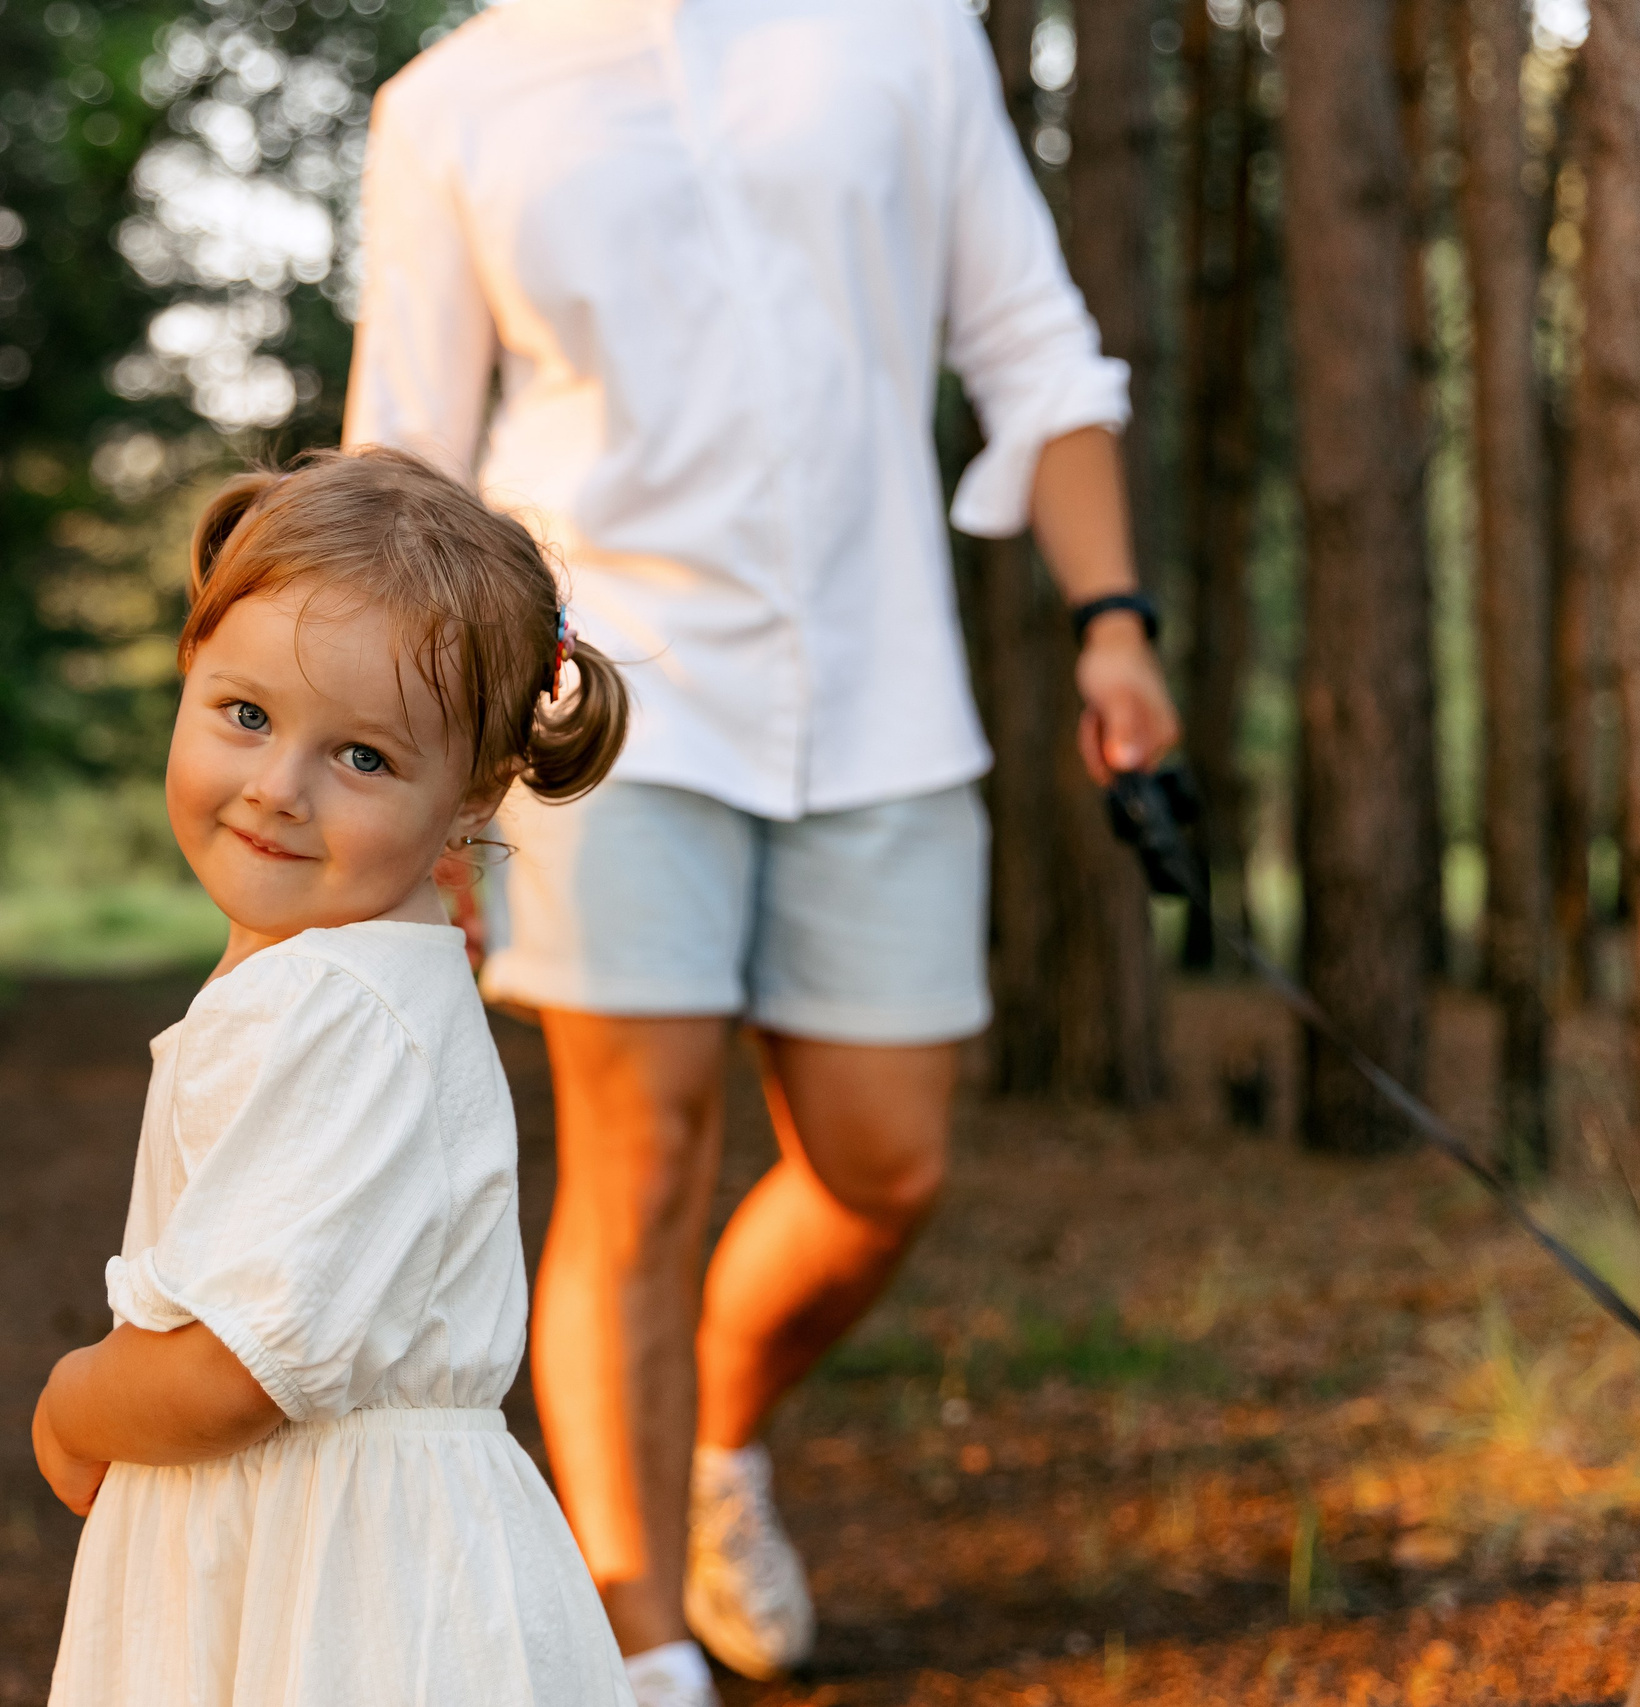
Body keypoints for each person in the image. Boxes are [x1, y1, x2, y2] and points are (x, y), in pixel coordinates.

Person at [343, 2, 1184, 1701]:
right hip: (596, 702)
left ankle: (719, 1440)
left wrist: (1112, 619)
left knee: (886, 1164)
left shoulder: (904, 37)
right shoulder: (451, 102)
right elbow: (408, 463)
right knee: (638, 1156)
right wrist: (415, 768)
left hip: (880, 692)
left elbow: (1033, 342)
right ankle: (635, 1639)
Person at [32, 448, 636, 1706]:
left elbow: (234, 1372)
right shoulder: (349, 981)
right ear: (190, 672)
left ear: (471, 792)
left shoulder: (340, 1007)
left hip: (345, 1598)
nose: (277, 790)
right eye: (245, 716)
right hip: (328, 1557)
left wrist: (76, 1402)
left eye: (361, 757)